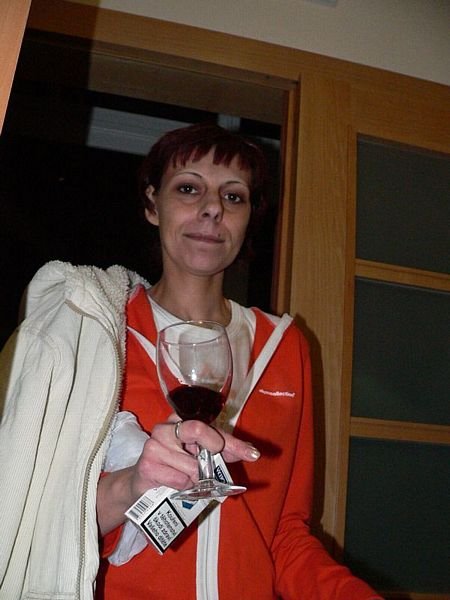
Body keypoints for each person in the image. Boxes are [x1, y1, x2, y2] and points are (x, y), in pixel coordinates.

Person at [0, 123, 383, 600]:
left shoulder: (285, 347)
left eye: (234, 196)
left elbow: (285, 535)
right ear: (151, 204)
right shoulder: (98, 333)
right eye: (188, 188)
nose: (212, 208)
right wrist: (132, 484)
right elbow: (41, 526)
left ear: (249, 219)